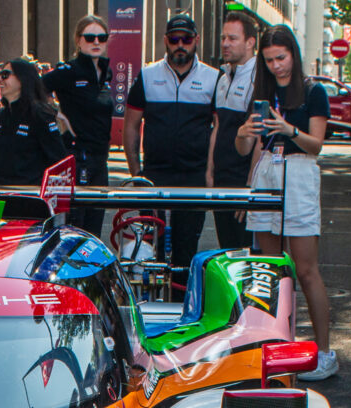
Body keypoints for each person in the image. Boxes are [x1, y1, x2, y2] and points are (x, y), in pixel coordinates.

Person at [236, 26, 334, 380]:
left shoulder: (313, 91)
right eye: (269, 60)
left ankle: (324, 352)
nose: (277, 66)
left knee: (306, 269)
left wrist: (287, 128)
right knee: (268, 269)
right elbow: (248, 150)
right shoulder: (261, 94)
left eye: (282, 57)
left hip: (300, 174)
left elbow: (317, 145)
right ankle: (273, 346)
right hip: (265, 174)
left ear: (294, 53)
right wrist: (242, 135)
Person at [123, 14, 218, 291]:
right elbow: (131, 126)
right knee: (150, 252)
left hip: (193, 177)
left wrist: (210, 173)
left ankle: (180, 311)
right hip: (154, 175)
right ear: (165, 41)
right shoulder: (148, 75)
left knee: (186, 252)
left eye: (186, 39)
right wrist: (136, 173)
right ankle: (151, 309)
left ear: (196, 41)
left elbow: (219, 130)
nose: (180, 45)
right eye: (174, 39)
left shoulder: (213, 78)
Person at [44, 15, 113, 237]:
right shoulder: (69, 71)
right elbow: (34, 90)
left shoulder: (106, 73)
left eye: (101, 38)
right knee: (74, 230)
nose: (96, 42)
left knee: (94, 229)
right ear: (78, 40)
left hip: (101, 160)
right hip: (76, 156)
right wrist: (57, 115)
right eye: (90, 37)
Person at [207, 10, 257, 249]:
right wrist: (209, 172)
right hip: (221, 181)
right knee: (227, 252)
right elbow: (218, 126)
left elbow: (259, 138)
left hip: (243, 183)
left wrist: (250, 187)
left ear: (250, 42)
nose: (225, 43)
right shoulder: (224, 77)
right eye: (223, 37)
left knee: (245, 256)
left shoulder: (258, 78)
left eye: (233, 38)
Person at [0, 58, 67, 186]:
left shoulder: (40, 115)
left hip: (28, 196)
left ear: (22, 79)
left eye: (5, 75)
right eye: (0, 75)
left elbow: (57, 159)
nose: (0, 79)